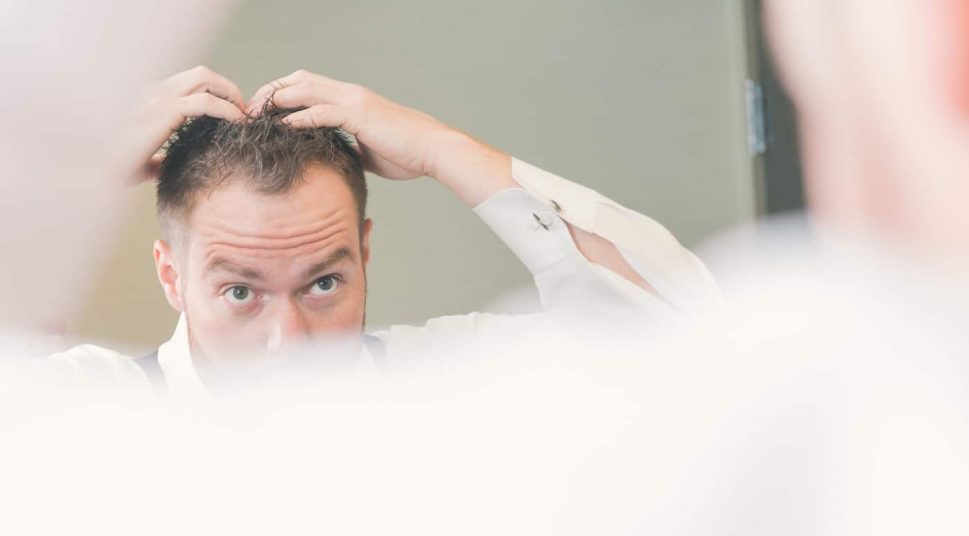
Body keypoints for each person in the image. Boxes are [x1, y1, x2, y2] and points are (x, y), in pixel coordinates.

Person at [47, 66, 720, 395]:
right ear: (172, 274)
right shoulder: (93, 406)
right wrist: (78, 185)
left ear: (365, 251)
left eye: (323, 283)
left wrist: (440, 148)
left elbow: (680, 337)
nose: (290, 345)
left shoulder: (438, 385)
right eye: (241, 293)